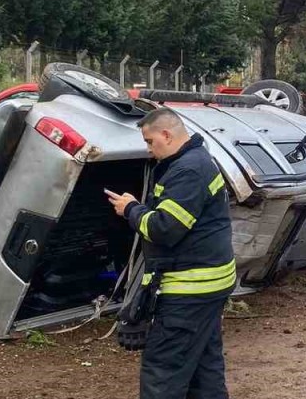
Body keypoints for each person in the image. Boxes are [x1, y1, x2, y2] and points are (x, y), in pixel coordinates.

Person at [107, 108, 236, 399]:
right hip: (210, 285)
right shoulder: (197, 161)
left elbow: (165, 229)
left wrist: (130, 209)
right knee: (205, 368)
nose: (149, 150)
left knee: (163, 372)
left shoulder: (187, 170)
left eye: (150, 142)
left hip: (188, 291)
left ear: (166, 134)